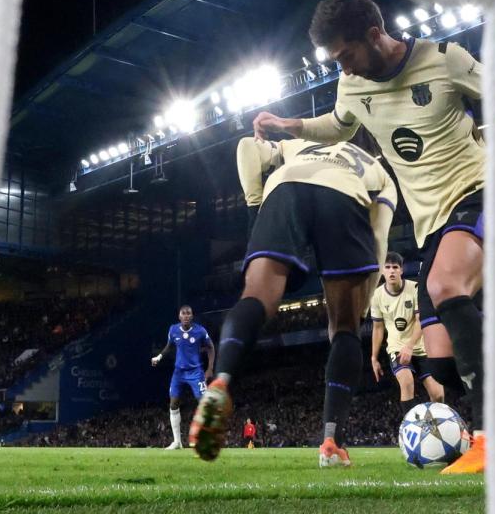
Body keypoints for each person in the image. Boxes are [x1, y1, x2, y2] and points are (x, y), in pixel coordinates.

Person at [251, 0, 495, 474]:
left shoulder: (444, 60)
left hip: (480, 196)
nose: (343, 68)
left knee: (446, 286)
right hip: (432, 226)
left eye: (346, 55)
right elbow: (339, 125)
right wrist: (290, 125)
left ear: (374, 33)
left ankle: (492, 441)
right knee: (442, 364)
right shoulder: (352, 87)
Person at [189, 136, 397, 468]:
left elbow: (245, 146)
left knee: (256, 295)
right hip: (346, 195)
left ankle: (222, 380)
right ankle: (332, 441)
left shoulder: (299, 143)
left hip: (285, 187)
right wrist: (365, 296)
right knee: (344, 328)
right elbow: (379, 236)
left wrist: (255, 210)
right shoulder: (379, 172)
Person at [370, 252, 444, 414]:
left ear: (401, 270)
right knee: (407, 382)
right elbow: (378, 327)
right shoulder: (377, 296)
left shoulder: (415, 289)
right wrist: (374, 357)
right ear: (382, 271)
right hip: (396, 348)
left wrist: (410, 346)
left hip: (421, 348)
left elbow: (420, 320)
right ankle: (408, 430)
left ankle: (438, 430)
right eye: (387, 267)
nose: (391, 271)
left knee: (438, 395)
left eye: (395, 267)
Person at [151, 304, 214, 450]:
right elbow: (169, 345)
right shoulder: (173, 329)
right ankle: (177, 442)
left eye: (188, 313)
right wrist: (159, 357)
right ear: (179, 316)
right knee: (173, 404)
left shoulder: (200, 331)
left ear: (192, 316)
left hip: (196, 372)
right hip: (178, 373)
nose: (186, 316)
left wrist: (209, 369)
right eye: (183, 313)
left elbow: (211, 347)